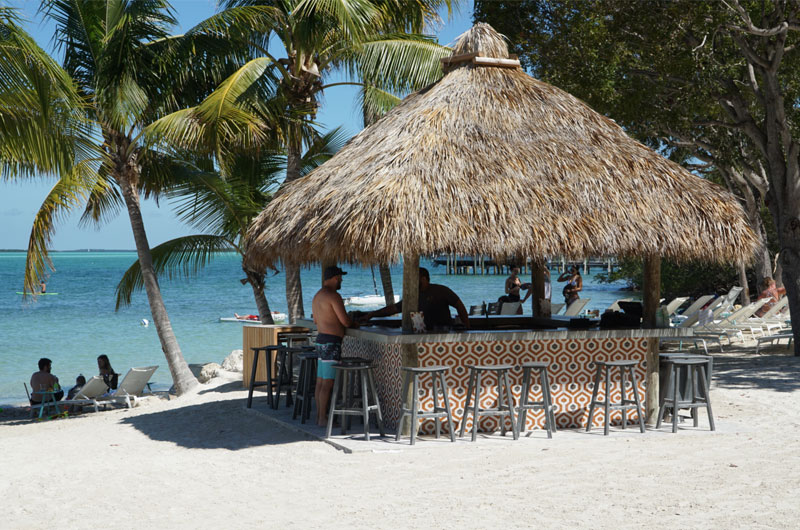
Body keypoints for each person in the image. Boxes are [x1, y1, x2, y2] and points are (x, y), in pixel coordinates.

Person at [312, 265, 359, 427]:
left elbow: (316, 321)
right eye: (339, 277)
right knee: (327, 384)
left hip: (320, 341)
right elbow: (345, 321)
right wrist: (355, 322)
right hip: (332, 343)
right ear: (334, 278)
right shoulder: (334, 296)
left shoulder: (317, 296)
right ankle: (323, 419)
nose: (341, 280)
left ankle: (320, 417)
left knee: (320, 382)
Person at [363, 268, 470, 331]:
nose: (412, 281)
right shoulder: (413, 296)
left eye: (415, 278)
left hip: (443, 331)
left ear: (423, 278)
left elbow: (459, 306)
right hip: (422, 333)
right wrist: (372, 314)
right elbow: (395, 308)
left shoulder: (441, 290)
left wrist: (467, 326)